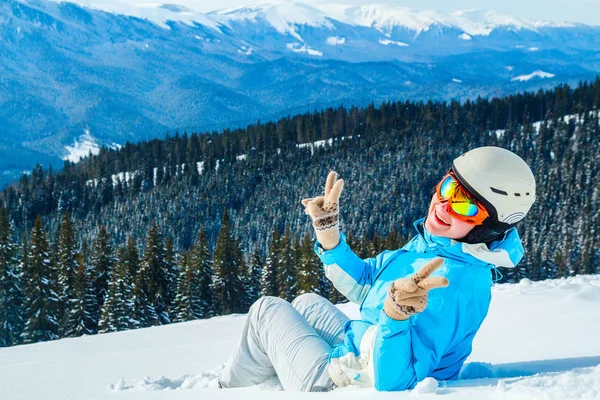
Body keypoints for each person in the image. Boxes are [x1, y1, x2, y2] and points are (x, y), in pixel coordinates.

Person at [218, 146, 536, 392]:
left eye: (465, 206)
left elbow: (396, 384)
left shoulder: (448, 282)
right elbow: (368, 282)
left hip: (343, 386)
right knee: (306, 304)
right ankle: (273, 374)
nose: (443, 206)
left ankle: (221, 393)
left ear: (486, 229)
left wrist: (394, 315)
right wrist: (330, 239)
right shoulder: (437, 248)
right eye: (447, 188)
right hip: (361, 353)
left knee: (265, 311)